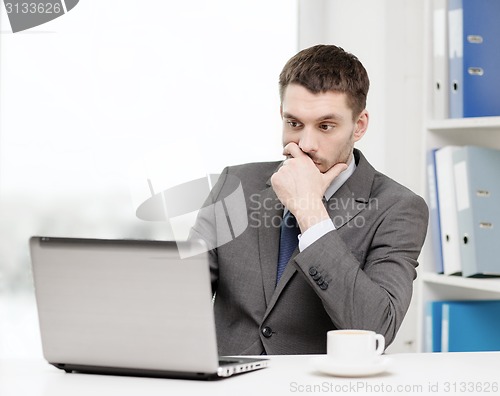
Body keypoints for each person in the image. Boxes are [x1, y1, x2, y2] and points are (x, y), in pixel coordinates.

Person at [189, 44, 428, 355]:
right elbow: (180, 300)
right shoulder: (234, 184)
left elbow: (376, 330)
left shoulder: (398, 208)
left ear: (359, 125)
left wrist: (310, 211)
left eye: (326, 126)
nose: (305, 143)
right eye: (294, 124)